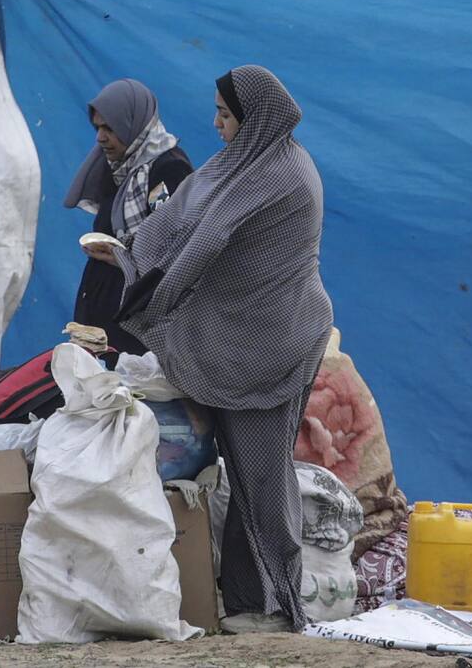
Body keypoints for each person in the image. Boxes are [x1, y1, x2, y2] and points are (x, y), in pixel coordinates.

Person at [86, 65, 334, 634]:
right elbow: (183, 214)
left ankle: (277, 606)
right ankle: (247, 600)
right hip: (243, 336)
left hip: (273, 340)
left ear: (253, 121)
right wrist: (129, 255)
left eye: (224, 115)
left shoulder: (280, 173)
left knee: (262, 476)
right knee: (241, 476)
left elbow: (210, 238)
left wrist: (152, 300)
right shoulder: (245, 163)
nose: (215, 125)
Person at [64, 79, 192, 355]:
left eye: (109, 128)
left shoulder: (168, 169)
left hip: (134, 325)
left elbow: (174, 247)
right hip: (105, 316)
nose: (100, 137)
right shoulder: (121, 169)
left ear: (133, 123)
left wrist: (120, 256)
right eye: (97, 127)